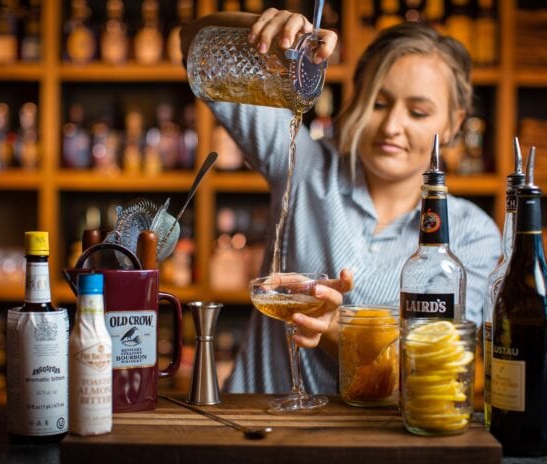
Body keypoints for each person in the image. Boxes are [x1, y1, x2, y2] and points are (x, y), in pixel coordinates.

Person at [181, 8, 500, 395]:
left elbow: (435, 377)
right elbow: (192, 45)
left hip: (377, 446)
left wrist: (336, 329)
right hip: (253, 425)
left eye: (418, 112)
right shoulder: (305, 164)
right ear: (357, 98)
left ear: (453, 123)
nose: (391, 126)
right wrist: (260, 27)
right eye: (378, 103)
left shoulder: (471, 235)